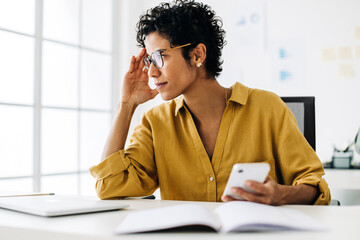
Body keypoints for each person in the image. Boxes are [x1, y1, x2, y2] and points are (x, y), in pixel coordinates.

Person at [90, 0, 330, 205]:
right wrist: (126, 104)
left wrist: (280, 195)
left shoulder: (267, 107)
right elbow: (108, 186)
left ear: (197, 55)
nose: (151, 72)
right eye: (148, 60)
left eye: (159, 57)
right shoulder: (155, 122)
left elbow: (315, 186)